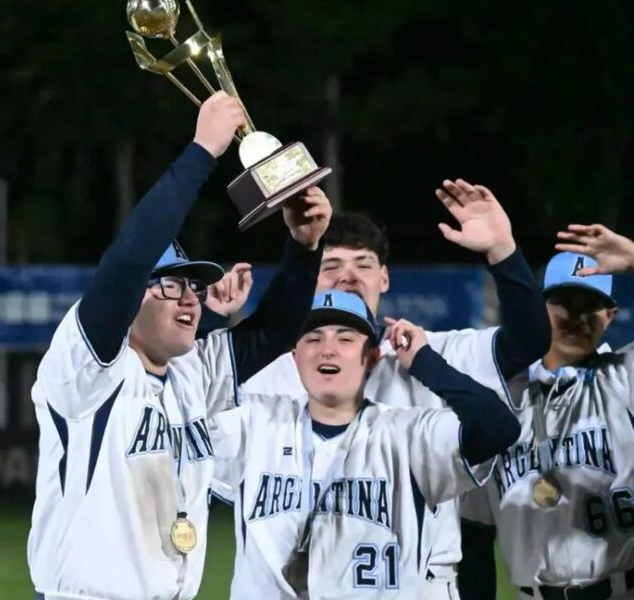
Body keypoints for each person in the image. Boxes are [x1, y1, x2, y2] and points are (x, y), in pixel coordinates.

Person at [27, 91, 333, 600]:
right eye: (171, 284)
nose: (190, 297)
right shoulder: (87, 369)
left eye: (192, 285)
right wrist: (201, 152)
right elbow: (127, 262)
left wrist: (304, 248)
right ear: (132, 299)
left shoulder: (192, 373)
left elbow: (275, 332)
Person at [217, 183, 551, 598]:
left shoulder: (430, 352)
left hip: (416, 582)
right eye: (331, 264)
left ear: (385, 277)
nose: (348, 275)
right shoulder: (269, 376)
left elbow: (529, 342)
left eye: (363, 264)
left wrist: (503, 252)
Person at [208, 289, 521, 598]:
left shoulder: (409, 435)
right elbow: (195, 397)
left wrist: (425, 362)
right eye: (313, 339)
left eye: (345, 339)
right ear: (295, 356)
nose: (327, 350)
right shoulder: (256, 422)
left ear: (371, 358)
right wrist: (212, 321)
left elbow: (499, 427)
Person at [458, 224, 634, 600]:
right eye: (563, 302)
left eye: (588, 306)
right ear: (536, 309)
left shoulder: (626, 378)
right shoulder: (499, 403)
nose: (575, 317)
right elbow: (474, 538)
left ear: (611, 315)